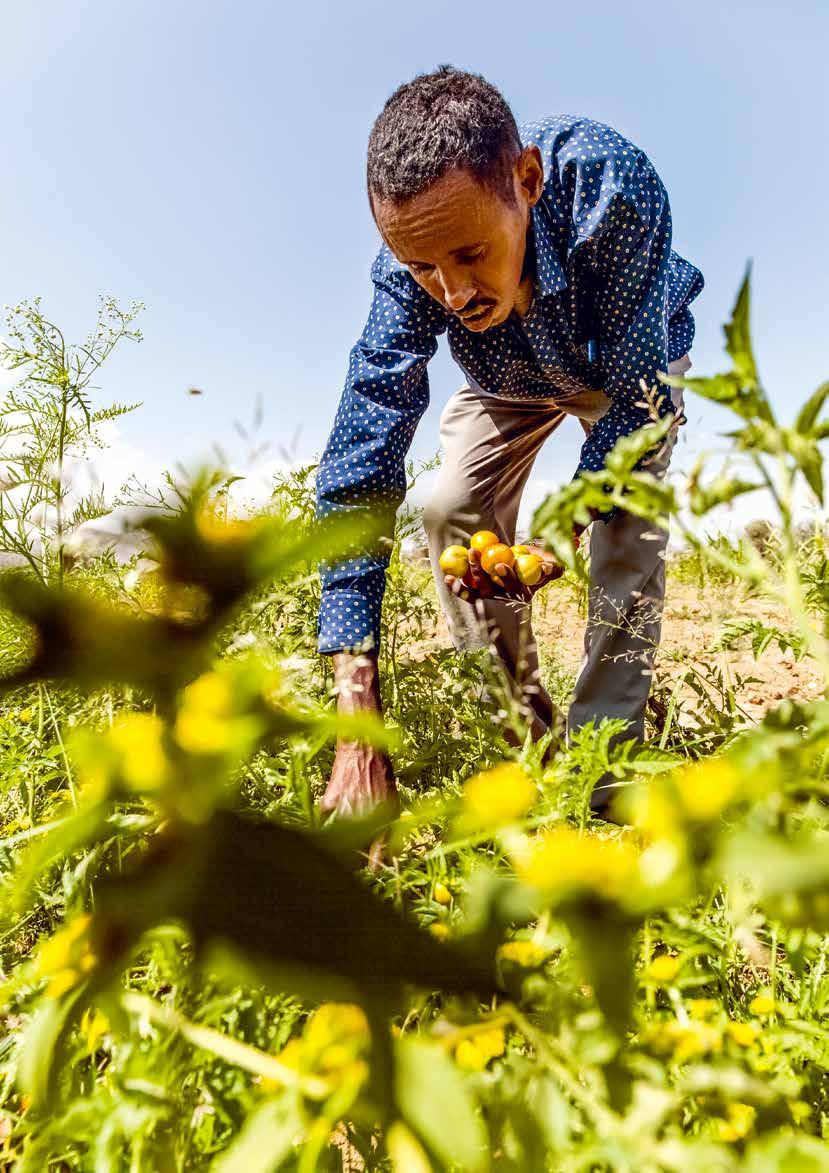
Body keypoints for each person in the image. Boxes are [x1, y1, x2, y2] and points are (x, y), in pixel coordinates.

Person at [314, 66, 704, 819]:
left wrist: (558, 530)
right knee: (447, 507)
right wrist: (354, 712)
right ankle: (530, 747)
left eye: (467, 254)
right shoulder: (411, 268)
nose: (451, 293)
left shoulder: (606, 187)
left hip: (619, 369)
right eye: (422, 267)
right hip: (505, 376)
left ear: (525, 180)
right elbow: (363, 450)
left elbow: (632, 406)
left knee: (625, 531)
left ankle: (603, 778)